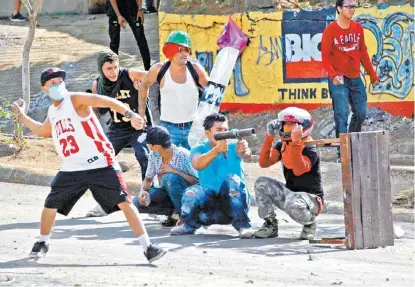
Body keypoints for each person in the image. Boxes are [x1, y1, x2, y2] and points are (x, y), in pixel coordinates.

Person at [12, 67, 166, 263]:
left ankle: (148, 247)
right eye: (52, 83)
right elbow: (44, 131)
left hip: (101, 163)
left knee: (125, 203)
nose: (58, 85)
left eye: (60, 81)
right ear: (44, 90)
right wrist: (22, 117)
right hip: (72, 167)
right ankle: (42, 243)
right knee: (50, 205)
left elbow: (105, 101)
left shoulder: (75, 99)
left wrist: (129, 114)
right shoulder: (52, 111)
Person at [86, 50, 153, 217]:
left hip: (138, 127)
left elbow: (151, 76)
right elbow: (96, 112)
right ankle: (106, 202)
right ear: (101, 69)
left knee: (144, 156)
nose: (113, 71)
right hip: (117, 129)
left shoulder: (129, 75)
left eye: (115, 67)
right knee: (101, 160)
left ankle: (150, 200)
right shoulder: (98, 85)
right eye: (109, 68)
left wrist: (143, 87)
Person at [169, 113, 253, 238]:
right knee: (191, 193)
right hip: (209, 208)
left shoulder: (234, 145)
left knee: (233, 181)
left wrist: (244, 150)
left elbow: (247, 156)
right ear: (208, 133)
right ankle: (188, 225)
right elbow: (197, 164)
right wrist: (216, 151)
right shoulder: (199, 148)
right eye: (219, 130)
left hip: (234, 203)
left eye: (225, 129)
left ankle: (243, 226)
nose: (223, 133)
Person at [252, 107, 324, 240]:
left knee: (293, 202)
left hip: (311, 199)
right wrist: (270, 136)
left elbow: (298, 169)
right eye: (285, 124)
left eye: (291, 124)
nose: (286, 127)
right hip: (291, 194)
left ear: (303, 127)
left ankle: (310, 223)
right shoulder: (283, 145)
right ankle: (270, 225)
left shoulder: (310, 147)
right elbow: (264, 162)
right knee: (261, 183)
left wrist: (296, 143)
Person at [321, 0, 379, 159]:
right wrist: (333, 75)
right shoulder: (330, 30)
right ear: (339, 9)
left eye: (354, 6)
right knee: (341, 114)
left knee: (361, 113)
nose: (352, 9)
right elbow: (325, 57)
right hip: (338, 78)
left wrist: (372, 75)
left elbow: (363, 53)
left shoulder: (357, 28)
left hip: (355, 77)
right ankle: (343, 154)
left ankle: (351, 144)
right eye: (348, 6)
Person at [139, 30, 208, 150]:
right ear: (170, 50)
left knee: (195, 165)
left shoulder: (196, 69)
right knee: (168, 166)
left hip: (193, 127)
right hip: (168, 128)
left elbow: (212, 93)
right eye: (180, 49)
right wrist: (141, 112)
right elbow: (143, 86)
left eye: (187, 49)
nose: (185, 53)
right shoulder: (159, 69)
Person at [133, 126, 199, 227]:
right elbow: (148, 179)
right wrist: (143, 190)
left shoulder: (183, 154)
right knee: (136, 203)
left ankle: (187, 218)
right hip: (168, 193)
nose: (148, 146)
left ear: (156, 146)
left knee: (170, 178)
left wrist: (176, 171)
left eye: (149, 144)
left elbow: (198, 182)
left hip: (188, 196)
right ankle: (174, 213)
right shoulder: (153, 155)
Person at [105, 0, 151, 71]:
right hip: (114, 8)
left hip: (131, 6)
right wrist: (119, 16)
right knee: (114, 40)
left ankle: (148, 68)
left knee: (141, 38)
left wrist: (140, 10)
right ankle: (113, 70)